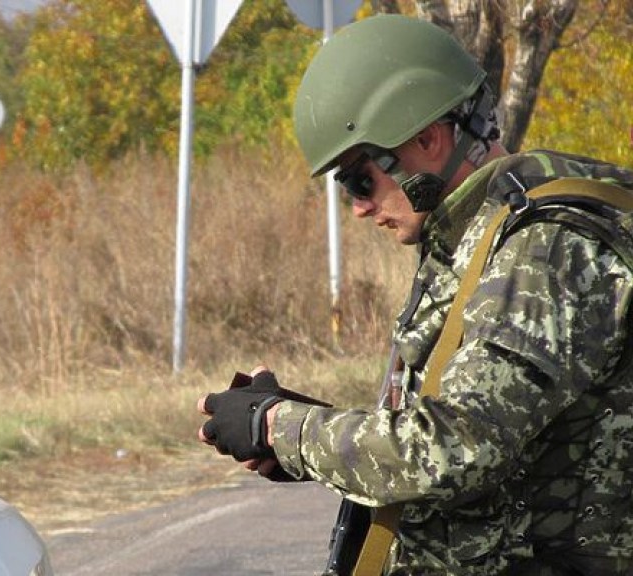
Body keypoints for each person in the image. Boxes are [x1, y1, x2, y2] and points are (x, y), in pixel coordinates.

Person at [197, 14, 633, 575]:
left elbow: (454, 447)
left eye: (360, 180)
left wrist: (281, 428)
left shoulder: (543, 249)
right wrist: (306, 436)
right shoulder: (474, 235)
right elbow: (473, 432)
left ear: (427, 137)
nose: (357, 207)